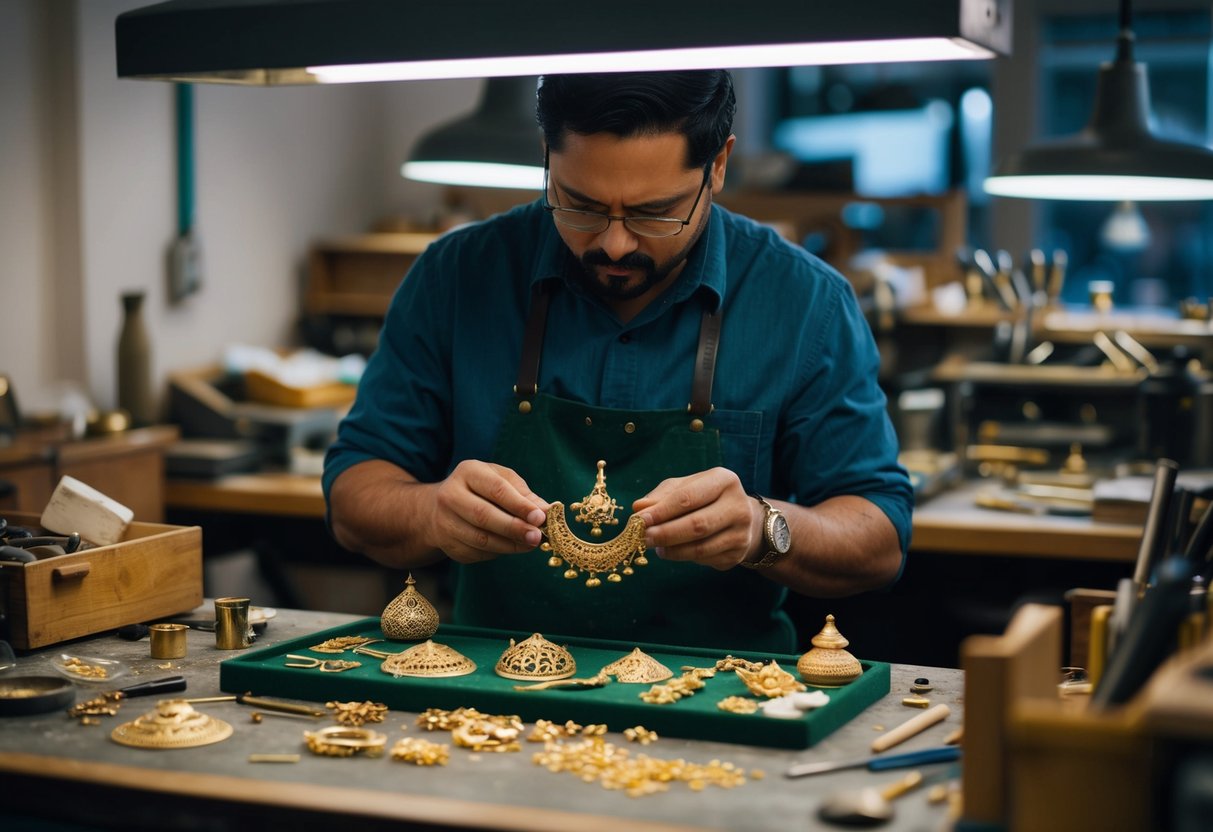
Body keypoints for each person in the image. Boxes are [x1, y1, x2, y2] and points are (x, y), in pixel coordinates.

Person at [324, 70, 912, 653]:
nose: (614, 244)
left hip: (723, 696)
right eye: (579, 205)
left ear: (719, 166)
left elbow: (879, 537)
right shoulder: (457, 275)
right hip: (493, 686)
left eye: (655, 213)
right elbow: (355, 494)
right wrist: (429, 514)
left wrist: (765, 529)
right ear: (547, 158)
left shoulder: (806, 303)